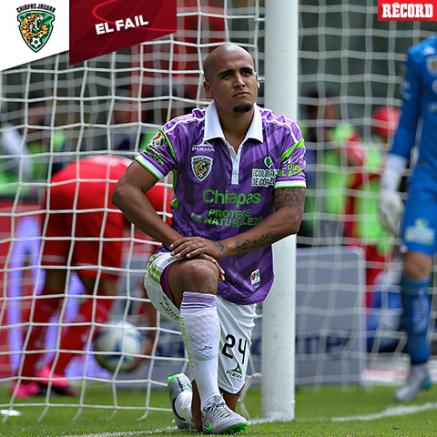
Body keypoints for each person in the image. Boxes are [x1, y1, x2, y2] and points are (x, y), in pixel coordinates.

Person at [113, 43, 306, 434]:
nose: (240, 81)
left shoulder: (284, 134)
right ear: (207, 88)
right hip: (177, 268)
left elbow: (290, 216)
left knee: (201, 423)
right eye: (227, 75)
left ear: (256, 79)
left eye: (247, 72)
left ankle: (190, 400)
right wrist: (176, 240)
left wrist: (223, 247)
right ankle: (214, 404)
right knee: (201, 270)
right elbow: (126, 191)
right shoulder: (182, 132)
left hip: (242, 278)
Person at [11, 155, 169, 399]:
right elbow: (152, 282)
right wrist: (151, 337)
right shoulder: (175, 209)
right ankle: (54, 371)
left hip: (60, 183)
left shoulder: (148, 175)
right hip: (97, 192)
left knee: (51, 290)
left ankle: (24, 377)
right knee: (102, 294)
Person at [379, 35, 437, 402]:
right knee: (414, 265)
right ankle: (418, 366)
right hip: (427, 181)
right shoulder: (422, 56)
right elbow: (407, 121)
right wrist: (388, 183)